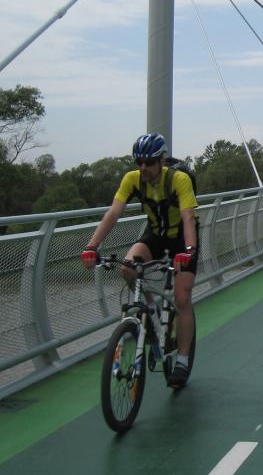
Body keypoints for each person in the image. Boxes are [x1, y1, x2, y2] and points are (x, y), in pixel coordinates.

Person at [80, 132, 198, 389]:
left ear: (162, 160)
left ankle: (182, 360)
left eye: (149, 162)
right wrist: (92, 246)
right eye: (139, 162)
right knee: (127, 267)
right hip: (155, 235)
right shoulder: (132, 180)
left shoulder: (179, 180)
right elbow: (113, 213)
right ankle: (150, 307)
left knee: (181, 297)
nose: (143, 168)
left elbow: (188, 217)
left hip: (182, 239)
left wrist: (188, 250)